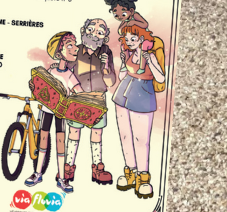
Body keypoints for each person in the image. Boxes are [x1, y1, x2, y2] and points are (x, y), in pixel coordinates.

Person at [112, 22, 165, 199]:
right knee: (125, 136)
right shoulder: (128, 53)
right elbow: (121, 76)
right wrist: (121, 62)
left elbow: (160, 77)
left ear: (142, 38)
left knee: (141, 139)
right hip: (123, 92)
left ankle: (143, 177)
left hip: (143, 94)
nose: (130, 42)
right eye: (127, 39)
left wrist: (151, 61)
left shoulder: (150, 55)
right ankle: (130, 172)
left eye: (133, 38)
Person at [25, 30, 80, 192]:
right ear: (59, 52)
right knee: (43, 143)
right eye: (69, 45)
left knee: (60, 145)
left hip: (61, 113)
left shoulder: (70, 74)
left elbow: (78, 91)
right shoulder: (50, 71)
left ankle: (62, 179)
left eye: (74, 45)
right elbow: (43, 89)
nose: (75, 49)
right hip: (46, 111)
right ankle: (37, 173)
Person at [66, 17, 117, 186]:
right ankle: (68, 166)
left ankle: (97, 168)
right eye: (91, 30)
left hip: (98, 99)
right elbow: (66, 73)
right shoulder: (76, 51)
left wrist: (106, 68)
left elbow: (110, 83)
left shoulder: (106, 53)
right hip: (77, 98)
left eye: (100, 31)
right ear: (83, 30)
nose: (94, 34)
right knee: (74, 131)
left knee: (97, 133)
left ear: (105, 36)